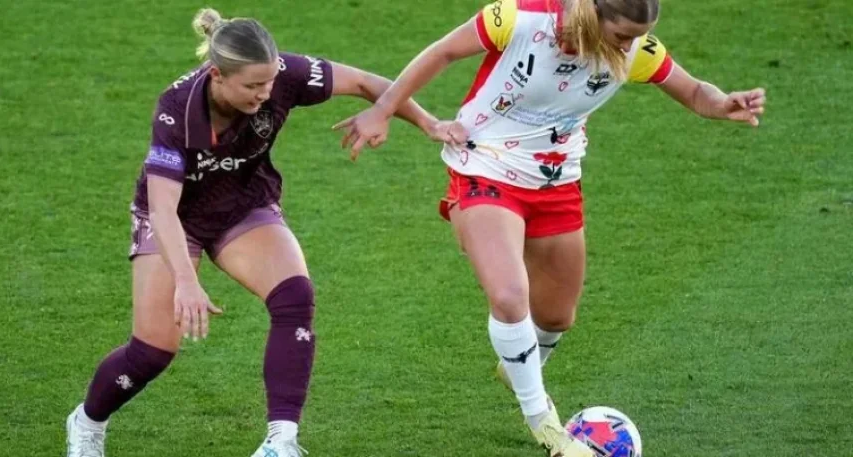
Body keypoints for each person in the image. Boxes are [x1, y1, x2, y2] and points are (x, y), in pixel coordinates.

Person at [334, 0, 766, 455]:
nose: (631, 45)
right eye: (622, 35)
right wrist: (383, 109)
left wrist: (722, 103)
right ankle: (545, 424)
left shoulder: (634, 50)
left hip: (556, 182)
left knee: (557, 316)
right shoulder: (518, 18)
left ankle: (520, 363)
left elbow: (695, 91)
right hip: (483, 166)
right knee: (508, 295)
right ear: (593, 15)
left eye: (639, 36)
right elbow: (442, 52)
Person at [64, 8, 449, 457]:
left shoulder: (283, 75)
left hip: (242, 206)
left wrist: (421, 122)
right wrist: (187, 282)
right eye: (251, 86)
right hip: (174, 219)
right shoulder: (176, 110)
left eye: (268, 84)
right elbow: (164, 208)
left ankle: (280, 443)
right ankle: (87, 422)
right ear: (217, 76)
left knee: (295, 298)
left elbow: (366, 82)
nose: (264, 94)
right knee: (152, 351)